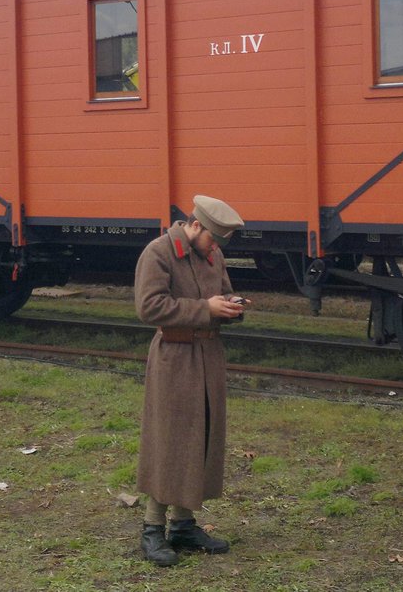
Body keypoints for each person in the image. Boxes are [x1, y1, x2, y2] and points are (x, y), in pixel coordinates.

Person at [133, 195, 248, 567]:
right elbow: (149, 307)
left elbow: (221, 292)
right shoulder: (158, 252)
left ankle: (183, 525)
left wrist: (231, 306)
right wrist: (206, 309)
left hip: (208, 357)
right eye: (213, 238)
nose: (216, 248)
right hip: (174, 357)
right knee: (170, 440)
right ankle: (153, 529)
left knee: (201, 436)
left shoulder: (212, 253)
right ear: (195, 225)